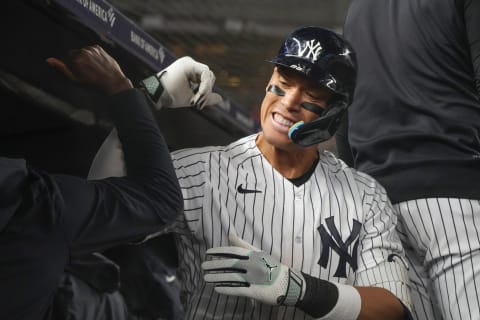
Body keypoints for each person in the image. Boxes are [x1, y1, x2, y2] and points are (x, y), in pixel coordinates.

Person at [89, 26, 413, 319]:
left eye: (312, 96)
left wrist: (294, 287)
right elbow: (96, 219)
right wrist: (148, 96)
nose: (288, 103)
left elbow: (392, 306)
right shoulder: (201, 171)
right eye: (283, 84)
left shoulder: (364, 194)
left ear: (335, 113)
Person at [0, 44, 218, 320]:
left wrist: (145, 89)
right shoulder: (32, 212)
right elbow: (151, 201)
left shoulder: (32, 212)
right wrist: (141, 90)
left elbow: (154, 201)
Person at [335, 0, 480, 319]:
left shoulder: (357, 9)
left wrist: (357, 199)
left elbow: (344, 118)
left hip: (379, 206)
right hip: (455, 196)